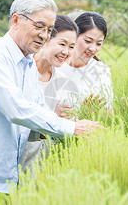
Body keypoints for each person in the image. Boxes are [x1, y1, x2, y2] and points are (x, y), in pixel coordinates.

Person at [0, 0, 100, 204]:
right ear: (16, 20)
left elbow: (35, 116)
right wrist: (72, 128)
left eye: (49, 29)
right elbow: (17, 110)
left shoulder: (27, 65)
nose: (45, 35)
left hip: (5, 181)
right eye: (39, 26)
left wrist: (73, 131)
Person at [20, 15, 79, 173]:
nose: (66, 52)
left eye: (72, 47)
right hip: (14, 159)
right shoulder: (22, 70)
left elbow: (67, 122)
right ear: (46, 38)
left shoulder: (63, 80)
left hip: (44, 165)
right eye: (62, 44)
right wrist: (52, 116)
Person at [57, 12, 114, 113]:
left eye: (99, 43)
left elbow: (109, 111)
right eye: (87, 41)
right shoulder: (55, 65)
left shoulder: (101, 71)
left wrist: (87, 113)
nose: (93, 48)